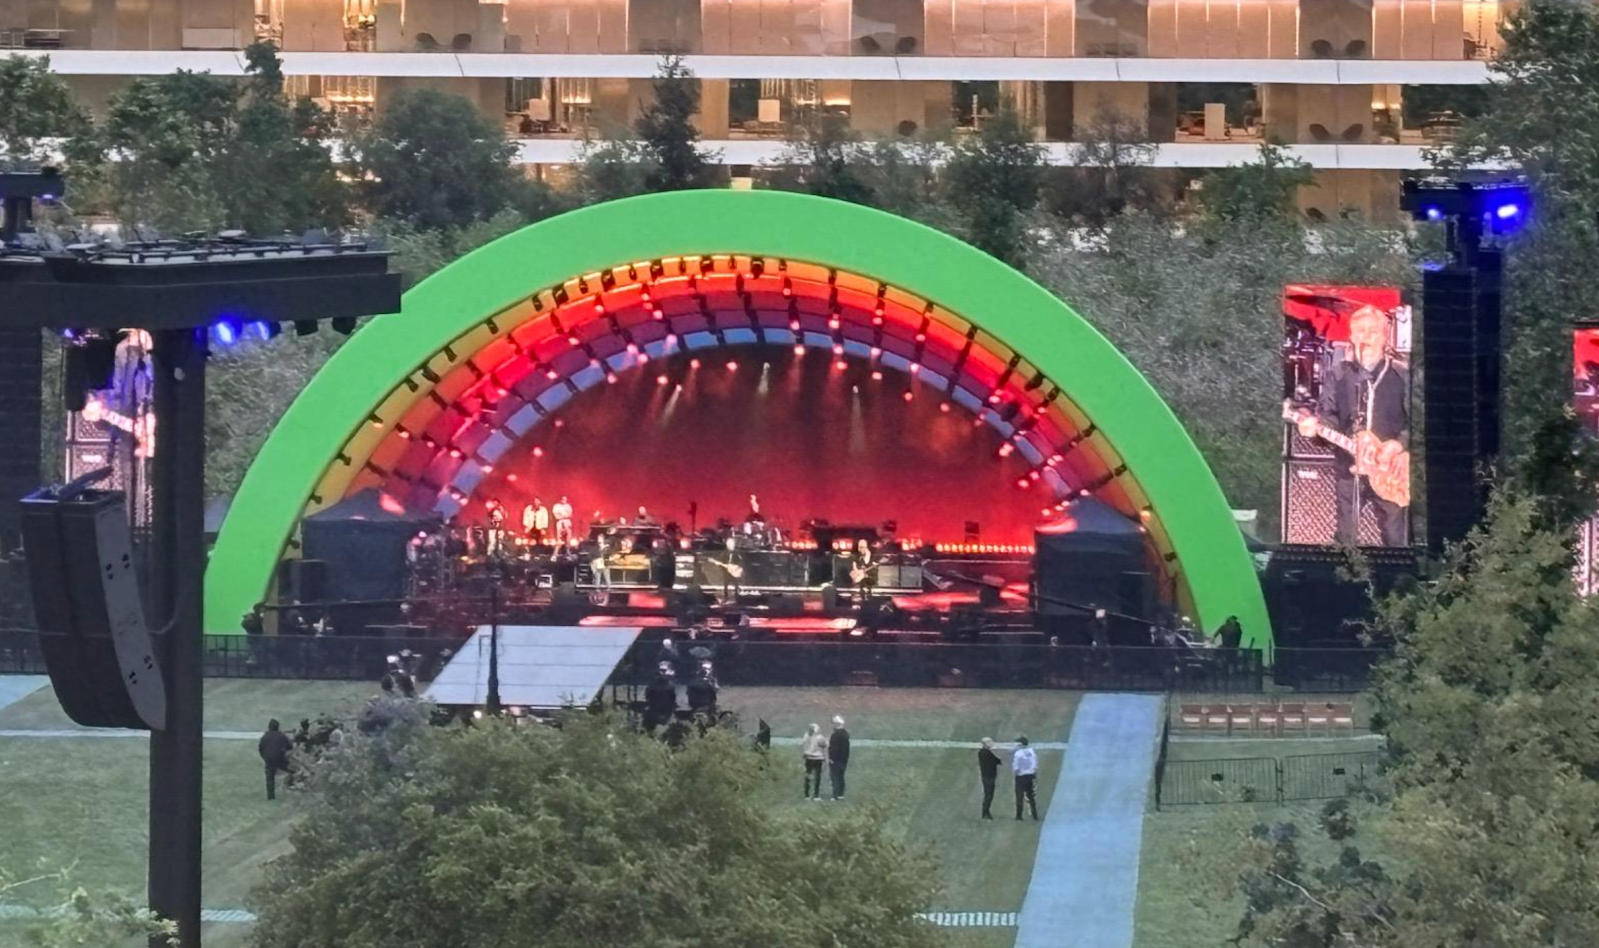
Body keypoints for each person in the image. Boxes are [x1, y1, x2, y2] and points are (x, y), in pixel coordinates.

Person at [1296, 304, 1409, 546]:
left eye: (1372, 331)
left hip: (1389, 470)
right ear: (1351, 336)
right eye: (1360, 331)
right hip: (1349, 466)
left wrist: (1398, 445)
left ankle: (1397, 580)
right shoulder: (1339, 374)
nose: (1366, 337)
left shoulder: (1402, 375)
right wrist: (1313, 429)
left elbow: (1415, 423)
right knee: (1347, 536)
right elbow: (1329, 418)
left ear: (1384, 336)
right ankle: (1346, 580)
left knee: (1395, 538)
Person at [258, 719, 293, 801]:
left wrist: (265, 757)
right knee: (292, 770)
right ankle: (292, 784)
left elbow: (261, 749)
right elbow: (290, 746)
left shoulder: (265, 736)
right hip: (280, 758)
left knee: (270, 778)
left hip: (269, 759)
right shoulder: (281, 736)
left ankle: (270, 796)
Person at [643, 664, 677, 732]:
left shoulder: (668, 685)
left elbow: (648, 696)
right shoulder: (657, 685)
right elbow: (648, 695)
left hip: (660, 705)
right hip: (660, 705)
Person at [1013, 735, 1039, 821]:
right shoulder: (1031, 751)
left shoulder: (1018, 754)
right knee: (1031, 796)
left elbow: (1016, 767)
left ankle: (1019, 815)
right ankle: (1035, 814)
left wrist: (1016, 772)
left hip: (1021, 776)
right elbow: (1035, 764)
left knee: (1019, 796)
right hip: (1030, 775)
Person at [800, 723, 828, 801]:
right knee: (817, 777)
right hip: (818, 758)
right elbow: (825, 745)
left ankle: (807, 795)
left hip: (808, 758)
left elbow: (803, 745)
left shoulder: (806, 736)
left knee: (808, 775)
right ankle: (816, 795)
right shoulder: (819, 737)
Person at [977, 737, 1002, 820]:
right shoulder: (987, 753)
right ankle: (985, 812)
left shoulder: (981, 753)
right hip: (989, 776)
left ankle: (985, 811)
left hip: (986, 776)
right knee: (989, 795)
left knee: (988, 794)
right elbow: (997, 761)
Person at [828, 715, 851, 801]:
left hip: (836, 760)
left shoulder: (835, 736)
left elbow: (833, 749)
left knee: (835, 777)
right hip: (843, 760)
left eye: (834, 723)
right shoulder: (845, 734)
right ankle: (841, 794)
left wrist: (831, 758)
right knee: (841, 776)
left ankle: (835, 795)